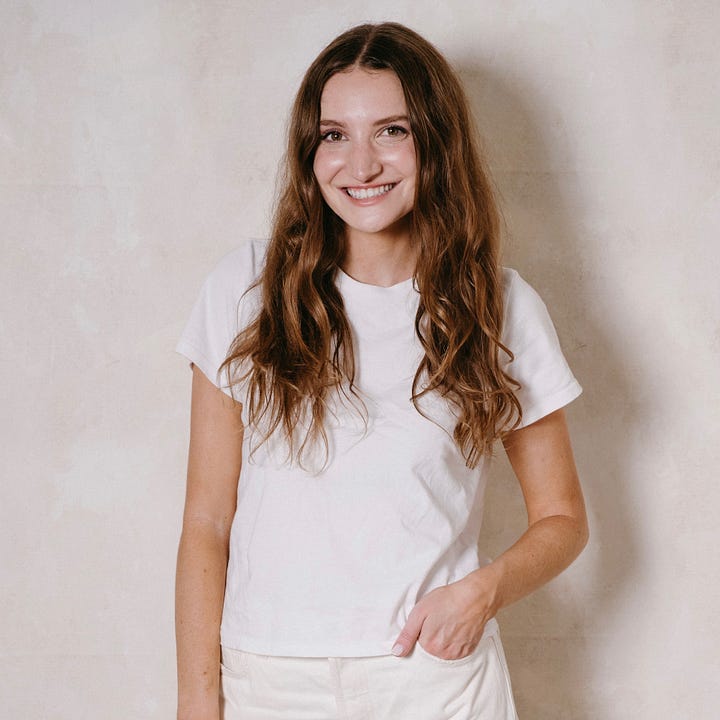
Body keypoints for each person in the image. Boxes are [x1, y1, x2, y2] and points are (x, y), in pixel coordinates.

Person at [175, 21, 588, 720]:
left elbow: (563, 517)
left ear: (435, 143)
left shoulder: (497, 306)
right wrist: (195, 701)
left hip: (432, 681)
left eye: (392, 131)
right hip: (268, 682)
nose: (360, 165)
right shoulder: (245, 287)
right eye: (334, 135)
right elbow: (206, 520)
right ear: (310, 152)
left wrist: (481, 593)